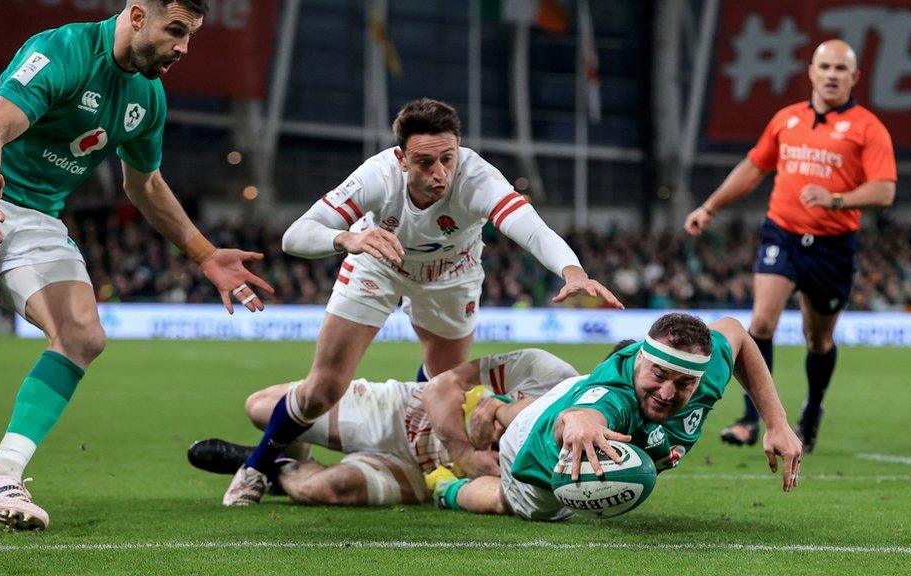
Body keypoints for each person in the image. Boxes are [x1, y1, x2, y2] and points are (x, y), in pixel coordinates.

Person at [0, 0, 273, 531]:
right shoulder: (62, 50)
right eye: (176, 31)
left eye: (190, 35)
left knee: (82, 334)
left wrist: (204, 253)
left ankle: (0, 475)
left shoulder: (148, 97)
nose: (183, 48)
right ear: (137, 16)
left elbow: (143, 184)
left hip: (35, 217)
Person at [222, 98, 623, 505]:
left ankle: (416, 463)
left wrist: (572, 271)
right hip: (376, 265)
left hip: (451, 278)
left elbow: (533, 231)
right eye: (425, 162)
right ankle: (256, 466)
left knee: (444, 386)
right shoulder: (377, 176)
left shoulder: (478, 178)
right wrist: (346, 238)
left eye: (447, 158)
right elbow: (295, 236)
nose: (439, 174)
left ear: (459, 148)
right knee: (322, 390)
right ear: (401, 158)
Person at [684, 40, 896, 452]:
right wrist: (710, 207)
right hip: (782, 234)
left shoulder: (869, 128)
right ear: (812, 72)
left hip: (833, 246)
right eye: (825, 66)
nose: (832, 74)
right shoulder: (786, 120)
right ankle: (753, 418)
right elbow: (753, 168)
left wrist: (837, 200)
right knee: (761, 323)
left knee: (818, 340)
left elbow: (884, 190)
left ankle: (812, 410)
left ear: (854, 78)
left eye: (841, 68)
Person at [425, 313, 803, 522]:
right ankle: (445, 487)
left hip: (572, 391)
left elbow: (736, 333)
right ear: (640, 359)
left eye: (684, 383)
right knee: (509, 502)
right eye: (658, 375)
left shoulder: (708, 362)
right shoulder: (615, 398)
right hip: (538, 454)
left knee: (564, 396)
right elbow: (582, 415)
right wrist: (580, 421)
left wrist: (776, 422)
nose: (667, 392)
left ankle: (500, 407)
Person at [189, 349, 578, 506]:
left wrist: (450, 487)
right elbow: (440, 387)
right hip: (405, 413)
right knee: (261, 408)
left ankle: (278, 468)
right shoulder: (548, 372)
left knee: (327, 489)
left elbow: (503, 499)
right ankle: (295, 447)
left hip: (423, 473)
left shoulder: (575, 461)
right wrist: (463, 449)